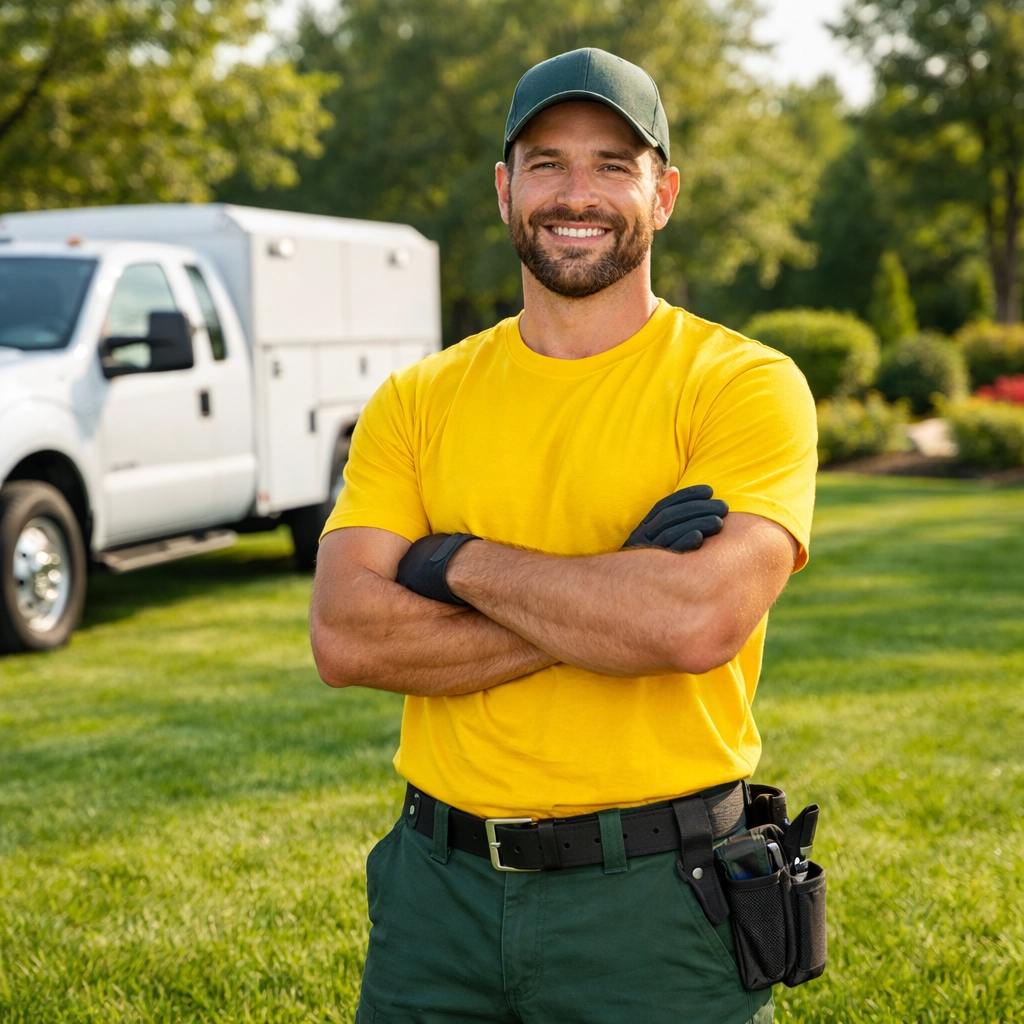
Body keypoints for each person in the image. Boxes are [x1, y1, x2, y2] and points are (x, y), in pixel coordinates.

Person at [311, 47, 817, 1024]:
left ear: (661, 193)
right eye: (546, 163)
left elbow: (694, 621)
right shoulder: (419, 398)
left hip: (658, 905)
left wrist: (450, 562)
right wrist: (615, 594)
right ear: (505, 190)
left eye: (611, 164)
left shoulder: (741, 384)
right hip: (435, 898)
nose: (574, 192)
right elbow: (346, 635)